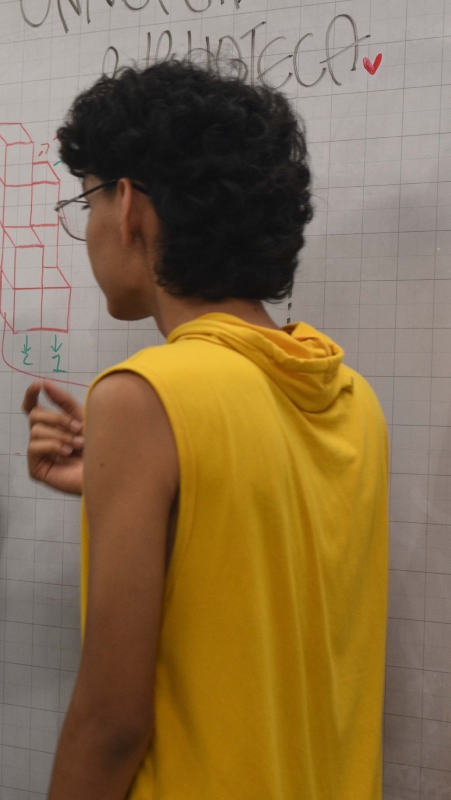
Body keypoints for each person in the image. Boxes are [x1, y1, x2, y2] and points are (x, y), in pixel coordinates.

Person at [23, 61, 388, 799]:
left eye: (88, 199)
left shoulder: (141, 398)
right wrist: (131, 478)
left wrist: (139, 450)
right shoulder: (350, 395)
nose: (88, 227)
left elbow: (111, 722)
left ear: (130, 208)